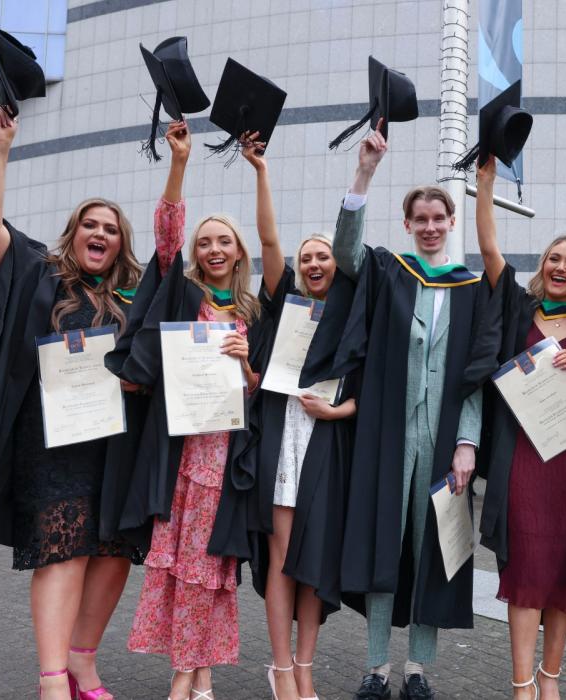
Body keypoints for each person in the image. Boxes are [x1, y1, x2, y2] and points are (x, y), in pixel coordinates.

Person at [0, 106, 149, 700]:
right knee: (63, 553)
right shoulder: (40, 273)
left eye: (111, 229)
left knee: (113, 554)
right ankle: (52, 678)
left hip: (114, 445)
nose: (100, 234)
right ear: (75, 232)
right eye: (91, 224)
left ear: (121, 244)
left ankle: (84, 662)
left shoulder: (136, 297)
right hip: (52, 441)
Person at [302, 121, 499, 700]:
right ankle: (376, 667)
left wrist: (468, 442)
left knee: (435, 547)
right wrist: (364, 171)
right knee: (385, 542)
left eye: (440, 219)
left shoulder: (471, 290)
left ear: (451, 223)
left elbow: (476, 376)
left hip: (443, 438)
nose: (432, 227)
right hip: (387, 436)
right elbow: (344, 252)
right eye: (421, 219)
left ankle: (418, 669)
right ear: (408, 224)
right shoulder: (390, 273)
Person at [113, 121, 253, 700]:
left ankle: (195, 674)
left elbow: (260, 391)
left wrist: (248, 365)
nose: (213, 249)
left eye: (223, 241)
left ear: (239, 252)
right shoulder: (181, 295)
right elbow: (166, 238)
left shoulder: (250, 311)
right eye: (205, 242)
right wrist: (180, 163)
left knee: (209, 567)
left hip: (225, 455)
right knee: (182, 565)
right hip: (179, 452)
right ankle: (187, 676)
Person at [475, 157, 566, 700]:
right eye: (554, 258)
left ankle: (550, 680)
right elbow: (491, 253)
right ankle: (520, 685)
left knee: (565, 572)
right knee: (528, 570)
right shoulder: (518, 309)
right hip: (523, 461)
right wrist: (485, 187)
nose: (561, 266)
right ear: (543, 265)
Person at [223, 136, 359, 700]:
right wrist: (261, 171)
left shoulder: (352, 312)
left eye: (322, 254)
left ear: (337, 263)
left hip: (326, 440)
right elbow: (268, 238)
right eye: (307, 257)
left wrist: (337, 409)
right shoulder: (285, 306)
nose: (313, 261)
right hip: (284, 439)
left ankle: (306, 666)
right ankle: (281, 668)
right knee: (282, 554)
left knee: (315, 556)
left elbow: (367, 393)